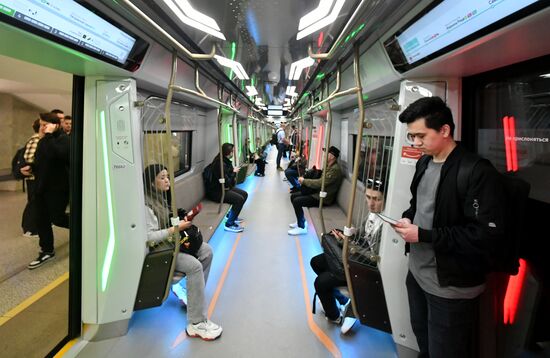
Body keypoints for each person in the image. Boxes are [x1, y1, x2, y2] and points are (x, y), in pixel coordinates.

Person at [392, 96, 505, 358]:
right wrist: (408, 218)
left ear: (445, 130)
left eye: (421, 136)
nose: (416, 144)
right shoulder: (424, 163)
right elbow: (417, 204)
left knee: (446, 350)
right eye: (411, 137)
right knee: (424, 339)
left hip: (451, 286)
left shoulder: (476, 171)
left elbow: (483, 235)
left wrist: (422, 234)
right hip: (418, 274)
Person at [143, 164, 222, 341]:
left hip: (173, 243)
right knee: (194, 266)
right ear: (151, 182)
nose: (166, 181)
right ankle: (196, 323)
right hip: (162, 249)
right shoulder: (147, 205)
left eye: (167, 177)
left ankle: (191, 297)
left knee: (207, 251)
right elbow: (150, 237)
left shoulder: (162, 198)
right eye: (162, 177)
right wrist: (175, 229)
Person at [311, 179, 386, 334]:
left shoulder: (386, 223)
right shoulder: (373, 214)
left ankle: (335, 316)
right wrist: (350, 234)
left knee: (321, 282)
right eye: (368, 197)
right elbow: (364, 232)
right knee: (316, 262)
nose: (371, 204)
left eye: (377, 199)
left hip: (366, 265)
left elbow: (375, 257)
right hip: (357, 254)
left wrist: (349, 245)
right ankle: (340, 298)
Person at [27, 112, 70, 269]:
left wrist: (49, 136)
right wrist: (30, 167)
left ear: (55, 125)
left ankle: (82, 226)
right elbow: (42, 162)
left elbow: (58, 155)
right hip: (41, 187)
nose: (42, 127)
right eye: (41, 124)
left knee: (57, 218)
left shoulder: (64, 139)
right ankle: (46, 250)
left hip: (58, 188)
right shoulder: (43, 140)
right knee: (41, 219)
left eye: (45, 124)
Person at [288, 146, 342, 235]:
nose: (324, 155)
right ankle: (301, 221)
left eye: (327, 153)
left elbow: (321, 183)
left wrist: (305, 181)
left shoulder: (334, 170)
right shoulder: (328, 166)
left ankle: (301, 228)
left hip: (324, 198)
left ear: (332, 156)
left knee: (297, 201)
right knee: (293, 196)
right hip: (318, 192)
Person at [206, 143, 248, 232]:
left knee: (245, 194)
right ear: (228, 153)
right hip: (217, 192)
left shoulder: (225, 161)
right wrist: (234, 172)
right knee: (239, 199)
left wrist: (232, 171)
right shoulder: (220, 164)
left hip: (222, 188)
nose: (233, 153)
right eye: (232, 152)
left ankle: (231, 215)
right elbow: (226, 183)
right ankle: (229, 224)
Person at [20, 119, 45, 237]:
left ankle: (32, 226)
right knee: (33, 203)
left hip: (36, 177)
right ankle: (29, 229)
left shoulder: (40, 140)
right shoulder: (35, 140)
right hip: (33, 178)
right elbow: (29, 159)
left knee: (36, 202)